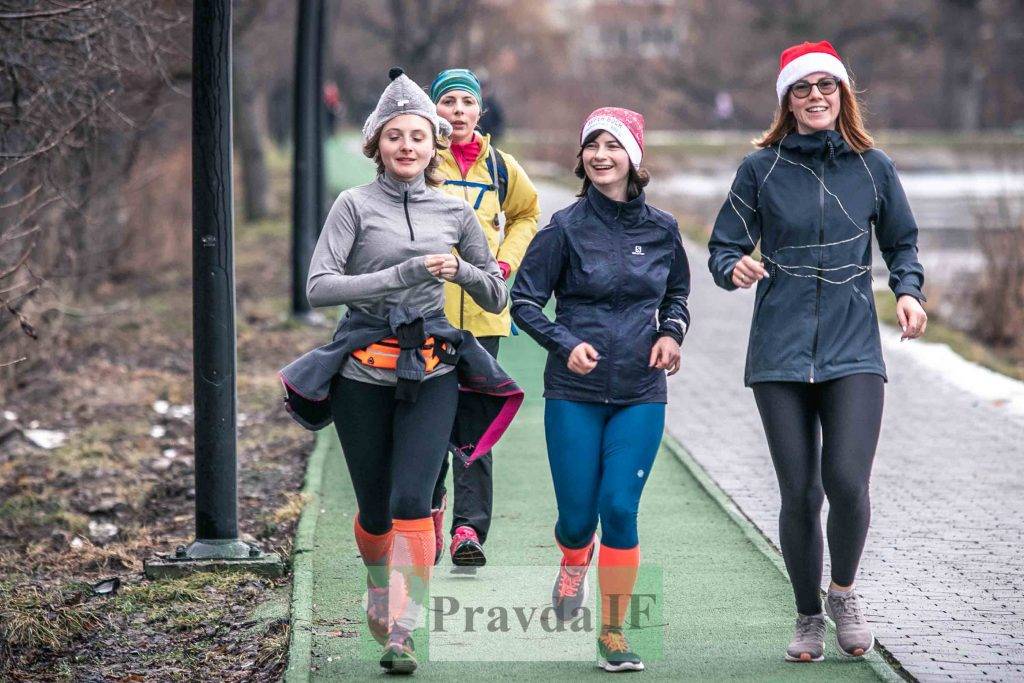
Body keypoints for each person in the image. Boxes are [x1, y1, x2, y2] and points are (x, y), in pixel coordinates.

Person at [279, 68, 523, 675]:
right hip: (363, 371)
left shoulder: (454, 210)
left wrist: (461, 272)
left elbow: (495, 294)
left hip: (432, 368)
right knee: (376, 511)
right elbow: (317, 287)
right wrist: (400, 276)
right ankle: (375, 585)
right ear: (376, 145)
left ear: (435, 141)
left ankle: (404, 628)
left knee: (416, 497)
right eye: (395, 136)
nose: (407, 146)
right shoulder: (353, 206)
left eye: (419, 135)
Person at [707, 41, 928, 663]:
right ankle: (807, 616)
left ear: (842, 95)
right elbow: (722, 246)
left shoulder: (874, 166)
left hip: (854, 344)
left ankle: (844, 593)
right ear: (787, 100)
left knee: (849, 482)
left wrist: (908, 293)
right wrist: (735, 267)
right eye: (802, 89)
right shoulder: (761, 168)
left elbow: (903, 245)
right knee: (801, 492)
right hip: (778, 351)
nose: (815, 97)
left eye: (825, 87)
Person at [511, 107, 691, 673]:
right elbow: (523, 300)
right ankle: (572, 558)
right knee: (576, 518)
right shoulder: (563, 228)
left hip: (641, 390)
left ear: (634, 159)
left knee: (619, 507)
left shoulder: (662, 229)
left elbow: (678, 294)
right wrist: (565, 343)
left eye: (613, 146)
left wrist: (671, 333)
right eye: (592, 145)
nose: (600, 155)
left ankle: (612, 633)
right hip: (574, 391)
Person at [427, 67, 541, 568]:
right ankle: (425, 516)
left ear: (480, 110)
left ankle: (468, 531)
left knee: (473, 426)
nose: (457, 111)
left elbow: (528, 214)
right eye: (447, 101)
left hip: (483, 317)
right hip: (425, 315)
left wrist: (505, 263)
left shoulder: (501, 166)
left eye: (466, 102)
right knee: (426, 421)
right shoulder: (422, 160)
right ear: (434, 110)